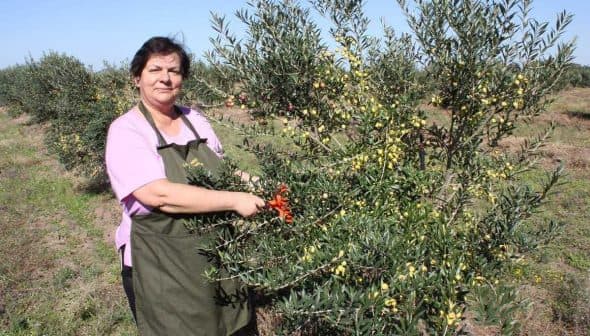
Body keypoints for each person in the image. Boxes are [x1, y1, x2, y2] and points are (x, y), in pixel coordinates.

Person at [105, 36, 265, 335]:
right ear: (137, 78)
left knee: (234, 326)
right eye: (155, 70)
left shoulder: (196, 120)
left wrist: (261, 185)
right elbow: (158, 194)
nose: (165, 78)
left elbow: (225, 172)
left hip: (215, 254)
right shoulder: (127, 130)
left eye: (174, 71)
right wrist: (234, 200)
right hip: (162, 266)